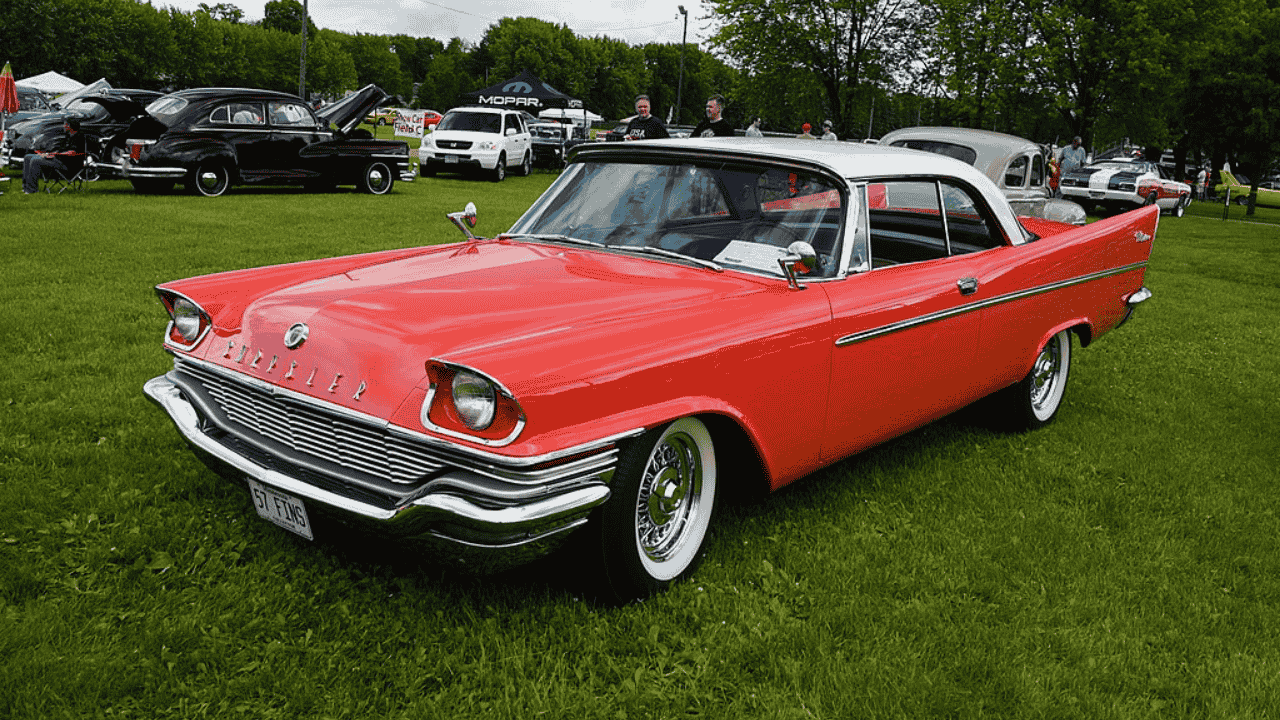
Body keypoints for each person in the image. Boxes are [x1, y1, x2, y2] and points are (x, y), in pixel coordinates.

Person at [23, 117, 87, 194]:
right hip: (59, 160)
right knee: (28, 157)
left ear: (70, 126)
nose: (63, 126)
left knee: (35, 160)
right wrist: (48, 154)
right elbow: (61, 150)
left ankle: (32, 190)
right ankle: (26, 187)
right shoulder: (68, 136)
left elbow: (72, 152)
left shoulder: (79, 138)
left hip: (68, 165)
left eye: (65, 124)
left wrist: (55, 154)